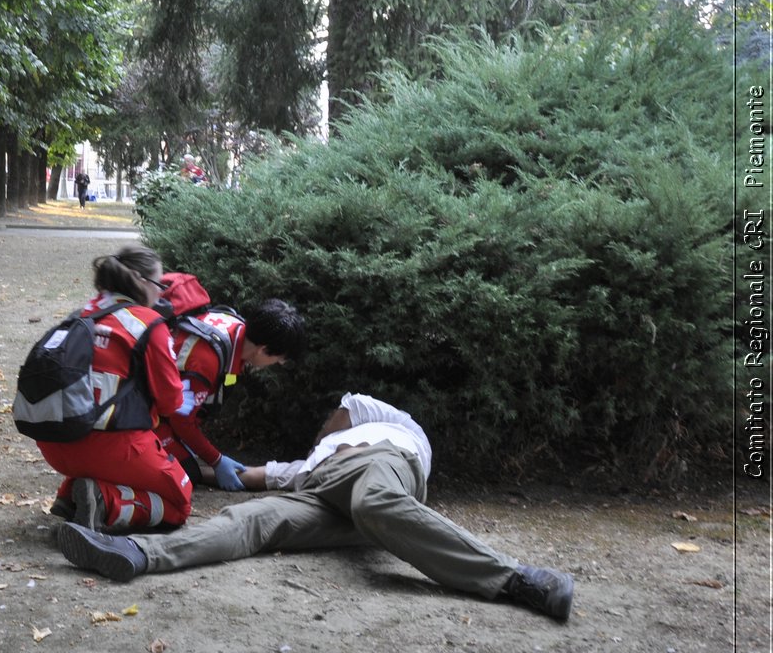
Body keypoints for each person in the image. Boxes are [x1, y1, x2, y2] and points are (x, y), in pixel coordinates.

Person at [54, 393, 577, 621]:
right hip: (323, 491)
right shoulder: (306, 462)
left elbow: (348, 403)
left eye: (329, 424)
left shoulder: (385, 422)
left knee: (375, 502)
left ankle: (517, 580)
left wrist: (334, 435)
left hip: (382, 469)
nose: (323, 429)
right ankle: (135, 552)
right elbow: (246, 477)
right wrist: (192, 465)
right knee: (251, 519)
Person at [36, 244, 193, 533]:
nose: (162, 294)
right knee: (180, 500)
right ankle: (105, 501)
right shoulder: (148, 324)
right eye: (160, 285)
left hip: (54, 441)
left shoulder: (83, 312)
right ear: (140, 281)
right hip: (111, 446)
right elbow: (171, 402)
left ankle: (73, 494)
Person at [153, 274, 304, 490]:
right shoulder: (207, 361)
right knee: (186, 475)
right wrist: (215, 459)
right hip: (150, 416)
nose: (278, 364)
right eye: (279, 358)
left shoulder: (235, 328)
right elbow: (179, 418)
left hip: (166, 406)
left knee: (188, 456)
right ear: (262, 350)